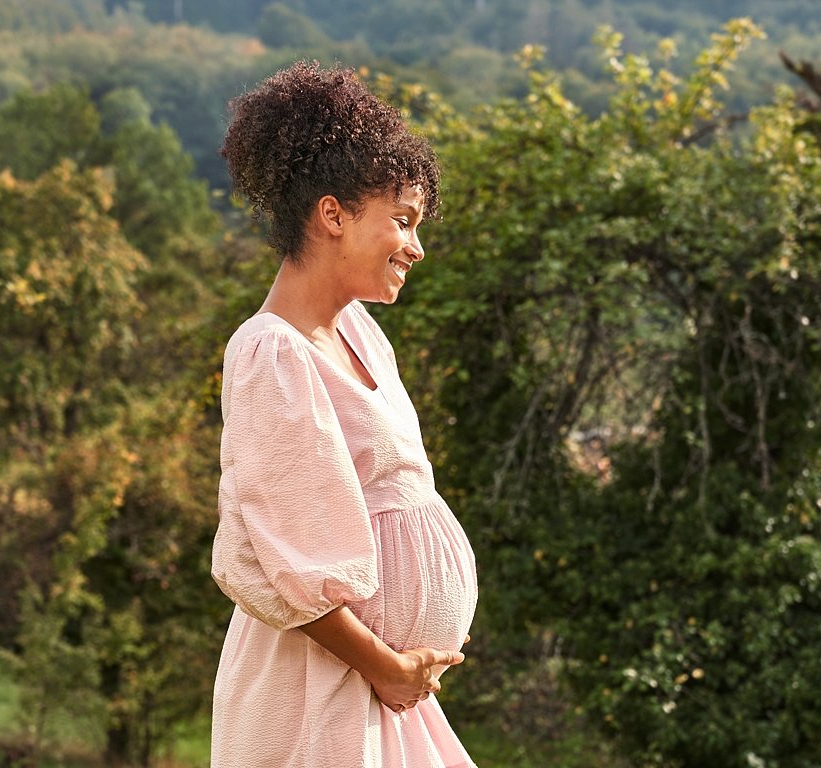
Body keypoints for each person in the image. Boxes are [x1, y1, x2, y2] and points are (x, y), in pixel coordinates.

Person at [210, 61, 478, 768]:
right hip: (319, 689)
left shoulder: (360, 330)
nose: (416, 246)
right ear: (333, 214)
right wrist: (386, 665)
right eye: (403, 220)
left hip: (381, 692)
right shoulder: (272, 353)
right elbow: (286, 551)